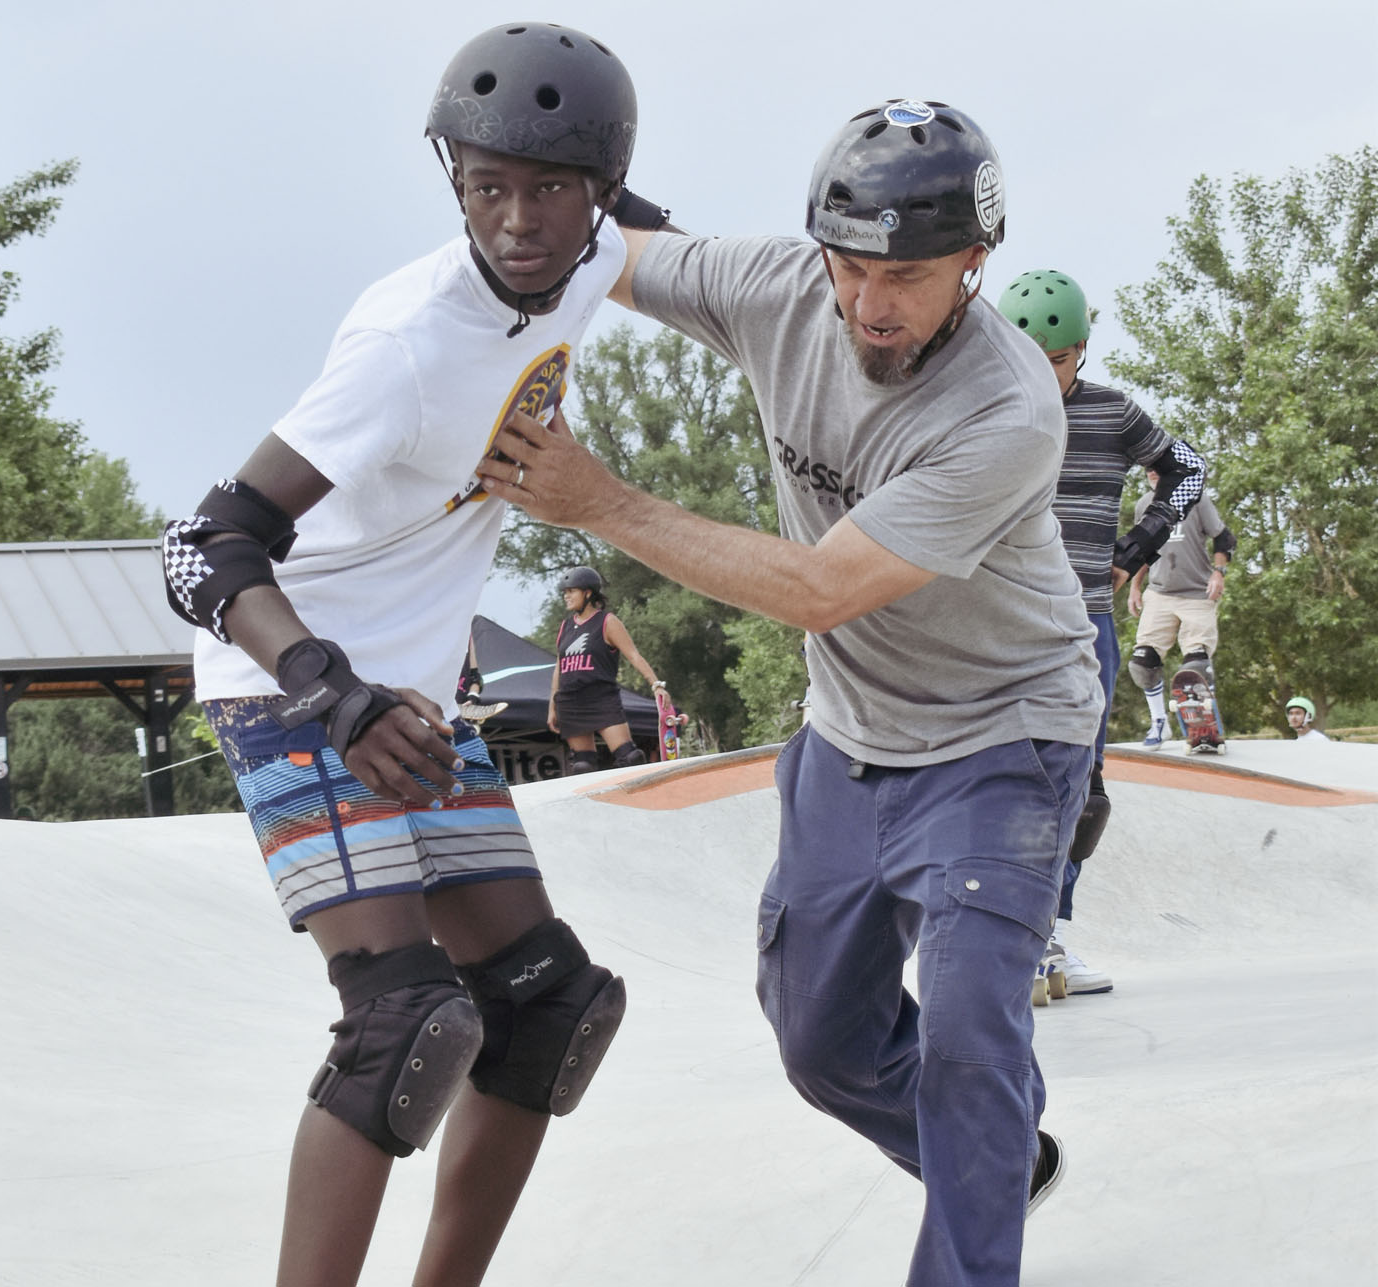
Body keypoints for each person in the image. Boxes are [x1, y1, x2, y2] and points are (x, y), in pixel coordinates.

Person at [478, 98, 1101, 1286]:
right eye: (850, 266)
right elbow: (616, 251)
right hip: (851, 739)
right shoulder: (777, 284)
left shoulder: (1005, 408)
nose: (871, 303)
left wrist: (598, 501)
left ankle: (971, 1227)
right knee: (820, 1044)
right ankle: (989, 1160)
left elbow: (822, 590)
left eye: (910, 275)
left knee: (972, 1037)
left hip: (1001, 741)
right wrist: (524, 176)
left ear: (977, 262)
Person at [160, 24, 648, 1286]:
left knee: (548, 1005)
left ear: (601, 191)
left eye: (548, 190)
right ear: (455, 182)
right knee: (405, 1024)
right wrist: (333, 690)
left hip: (415, 699)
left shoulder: (599, 257)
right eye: (487, 188)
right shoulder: (405, 345)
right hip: (297, 686)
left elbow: (734, 272)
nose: (518, 223)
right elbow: (201, 551)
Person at [997, 269, 1208, 996]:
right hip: (1003, 624)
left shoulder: (1114, 413)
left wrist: (1134, 551)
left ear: (1079, 350)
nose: (1041, 375)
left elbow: (1187, 471)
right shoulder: (987, 410)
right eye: (1027, 359)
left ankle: (1044, 936)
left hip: (1088, 625)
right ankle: (997, 933)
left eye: (1054, 361)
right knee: (1005, 779)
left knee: (1082, 793)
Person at [1126, 471, 1235, 744]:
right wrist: (1134, 587)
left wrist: (1218, 572)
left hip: (1197, 594)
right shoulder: (1144, 505)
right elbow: (1143, 551)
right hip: (1159, 594)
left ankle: (1204, 724)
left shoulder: (1196, 500)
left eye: (1157, 466)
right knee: (1142, 662)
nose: (1152, 471)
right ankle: (1159, 723)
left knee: (1196, 664)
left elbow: (1224, 539)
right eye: (1148, 467)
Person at [548, 565, 661, 771]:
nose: (566, 596)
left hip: (601, 698)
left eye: (571, 591)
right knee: (583, 767)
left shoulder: (607, 622)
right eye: (565, 592)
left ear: (588, 592)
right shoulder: (565, 626)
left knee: (630, 758)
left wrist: (656, 685)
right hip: (570, 702)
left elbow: (634, 655)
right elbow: (559, 667)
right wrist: (552, 706)